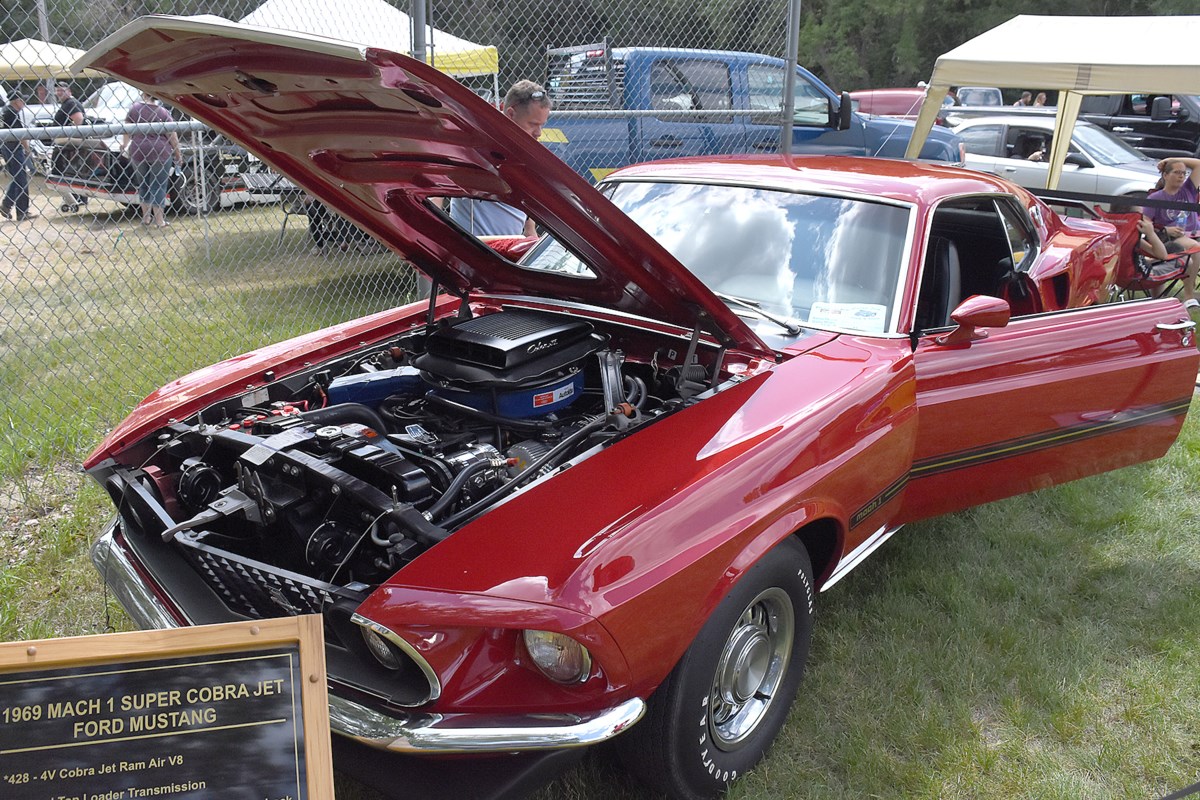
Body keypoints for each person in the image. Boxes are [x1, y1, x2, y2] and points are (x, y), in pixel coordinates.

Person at [448, 80, 552, 237]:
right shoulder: (477, 146)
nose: (538, 132)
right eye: (532, 124)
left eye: (541, 125)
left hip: (508, 251)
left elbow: (527, 197)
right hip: (471, 248)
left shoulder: (528, 153)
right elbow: (438, 184)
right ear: (510, 114)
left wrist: (530, 230)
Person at [1143, 157, 1200, 310]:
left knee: (1194, 247)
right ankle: (1189, 296)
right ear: (1165, 175)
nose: (1181, 176)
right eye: (1176, 172)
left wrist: (1171, 159)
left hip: (1194, 234)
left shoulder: (1188, 190)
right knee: (1194, 248)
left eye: (1183, 173)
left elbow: (1199, 164)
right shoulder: (1155, 197)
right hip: (1169, 239)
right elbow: (1144, 223)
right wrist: (1165, 230)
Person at [121, 91, 182, 227]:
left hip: (138, 151)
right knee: (158, 185)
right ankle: (159, 221)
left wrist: (125, 145)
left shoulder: (134, 109)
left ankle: (146, 218)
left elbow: (126, 129)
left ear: (143, 94)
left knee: (143, 184)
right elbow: (172, 134)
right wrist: (178, 153)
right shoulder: (163, 112)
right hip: (161, 151)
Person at [1, 93, 36, 222]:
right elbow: (20, 135)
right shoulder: (12, 113)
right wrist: (27, 150)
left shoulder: (5, 111)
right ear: (17, 101)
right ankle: (22, 212)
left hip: (7, 147)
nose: (24, 104)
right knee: (21, 180)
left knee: (17, 178)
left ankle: (7, 205)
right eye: (22, 101)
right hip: (14, 149)